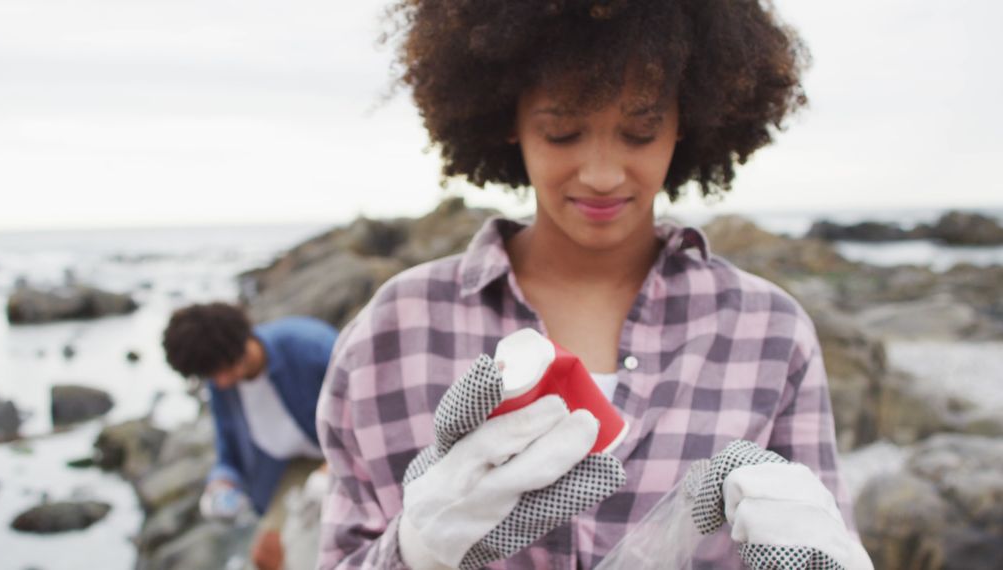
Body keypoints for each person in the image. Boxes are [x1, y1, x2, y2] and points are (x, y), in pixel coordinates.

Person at [316, 1, 870, 569]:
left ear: (685, 122)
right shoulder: (393, 332)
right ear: (509, 117)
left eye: (640, 132)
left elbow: (821, 538)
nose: (602, 175)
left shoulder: (768, 332)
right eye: (562, 133)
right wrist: (415, 552)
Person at [162, 302, 337, 570]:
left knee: (310, 554)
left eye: (222, 369)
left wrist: (332, 468)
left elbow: (372, 411)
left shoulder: (310, 346)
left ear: (239, 343)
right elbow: (228, 454)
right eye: (210, 375)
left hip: (348, 454)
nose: (221, 382)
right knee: (265, 558)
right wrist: (221, 485)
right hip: (293, 469)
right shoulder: (222, 386)